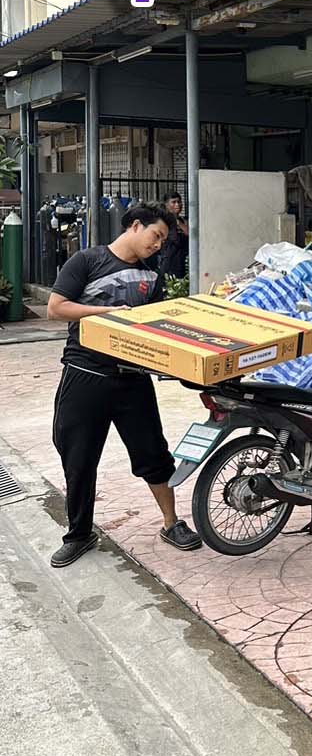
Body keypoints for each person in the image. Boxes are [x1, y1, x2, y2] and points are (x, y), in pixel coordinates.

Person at [47, 203, 202, 567]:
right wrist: (106, 313)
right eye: (156, 236)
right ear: (134, 226)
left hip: (133, 380)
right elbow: (56, 307)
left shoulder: (151, 275)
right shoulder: (88, 261)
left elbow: (155, 327)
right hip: (85, 374)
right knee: (79, 457)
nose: (158, 245)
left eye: (163, 240)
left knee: (154, 454)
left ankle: (171, 523)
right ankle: (79, 534)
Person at [158, 192, 188, 280]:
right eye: (173, 202)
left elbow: (191, 234)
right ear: (166, 204)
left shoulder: (183, 221)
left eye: (179, 202)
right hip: (169, 261)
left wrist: (178, 223)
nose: (177, 205)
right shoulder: (163, 221)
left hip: (183, 260)